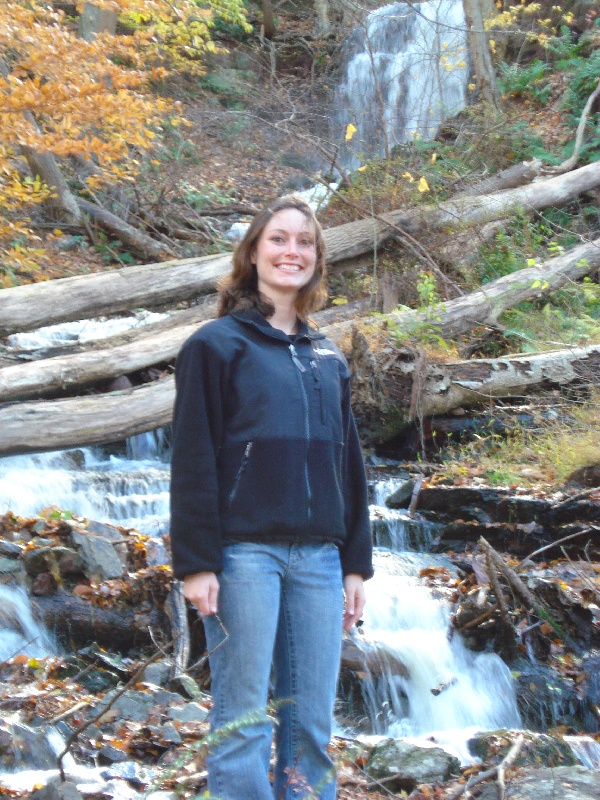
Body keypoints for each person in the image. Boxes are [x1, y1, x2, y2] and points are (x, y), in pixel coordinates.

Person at [169, 194, 373, 800]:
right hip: (243, 555)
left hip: (318, 560)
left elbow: (349, 463)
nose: (293, 251)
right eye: (279, 239)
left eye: (305, 242)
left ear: (317, 259)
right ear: (253, 253)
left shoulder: (327, 355)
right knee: (242, 720)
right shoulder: (215, 345)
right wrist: (197, 563)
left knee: (311, 724)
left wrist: (356, 564)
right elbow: (192, 459)